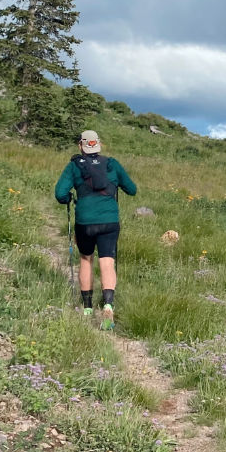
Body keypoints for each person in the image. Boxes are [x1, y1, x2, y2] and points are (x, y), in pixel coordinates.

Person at [55, 130, 137, 330]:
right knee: (107, 261)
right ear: (99, 144)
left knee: (86, 259)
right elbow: (132, 189)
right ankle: (108, 304)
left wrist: (68, 198)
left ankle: (87, 308)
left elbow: (60, 193)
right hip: (110, 220)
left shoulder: (74, 166)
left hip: (85, 222)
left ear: (80, 146)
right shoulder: (112, 164)